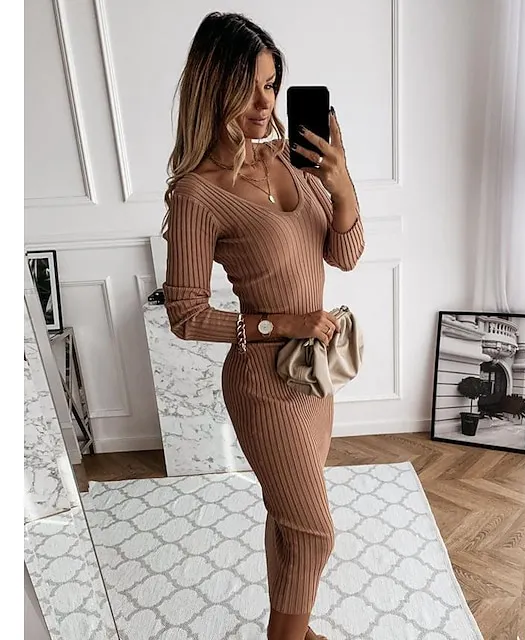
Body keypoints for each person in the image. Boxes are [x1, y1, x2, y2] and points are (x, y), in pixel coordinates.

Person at [161, 12, 364, 640]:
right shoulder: (197, 194)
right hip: (263, 385)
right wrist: (286, 323)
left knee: (290, 518)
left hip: (314, 376)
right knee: (314, 531)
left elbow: (345, 254)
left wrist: (341, 184)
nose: (264, 103)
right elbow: (185, 315)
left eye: (271, 85)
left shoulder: (292, 159)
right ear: (211, 88)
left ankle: (292, 629)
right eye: (246, 87)